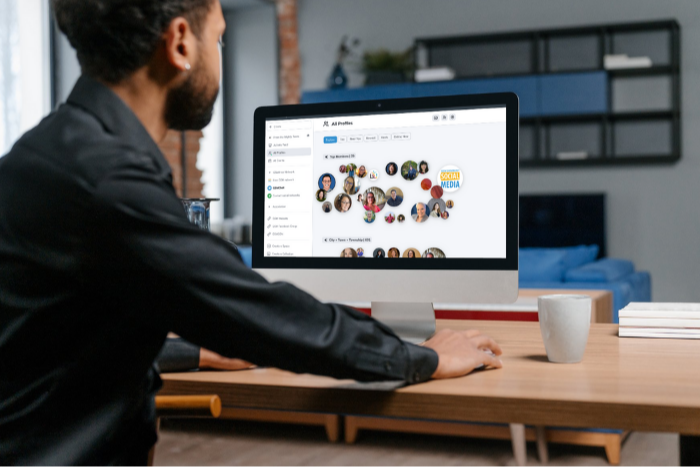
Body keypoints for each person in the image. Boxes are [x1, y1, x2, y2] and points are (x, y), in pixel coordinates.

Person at [0, 1, 503, 464]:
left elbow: (61, 341)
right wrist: (426, 357)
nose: (219, 59)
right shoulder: (107, 182)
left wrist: (195, 351)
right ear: (180, 43)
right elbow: (268, 317)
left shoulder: (51, 154)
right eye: (218, 39)